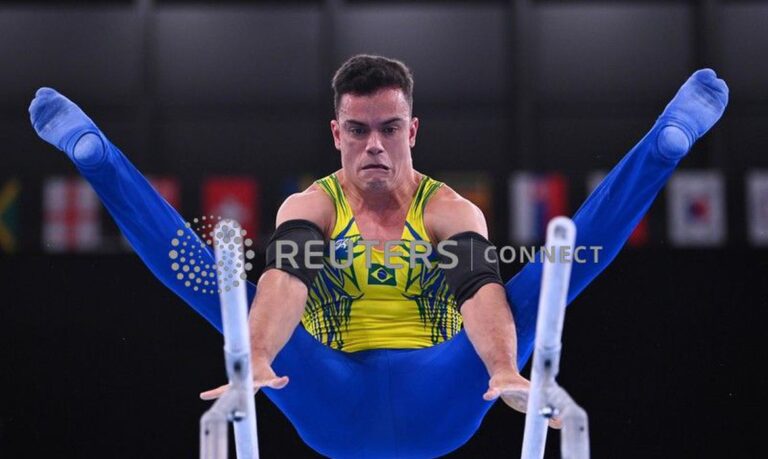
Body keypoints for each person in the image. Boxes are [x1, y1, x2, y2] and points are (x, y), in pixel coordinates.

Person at [29, 55, 728, 458]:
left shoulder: (449, 209)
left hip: (445, 393)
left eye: (389, 129)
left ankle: (661, 147)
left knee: (543, 280)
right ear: (336, 133)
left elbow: (480, 293)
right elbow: (287, 280)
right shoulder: (314, 206)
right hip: (328, 394)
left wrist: (504, 372)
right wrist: (259, 358)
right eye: (358, 130)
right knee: (225, 289)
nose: (374, 146)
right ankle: (99, 158)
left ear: (412, 129)